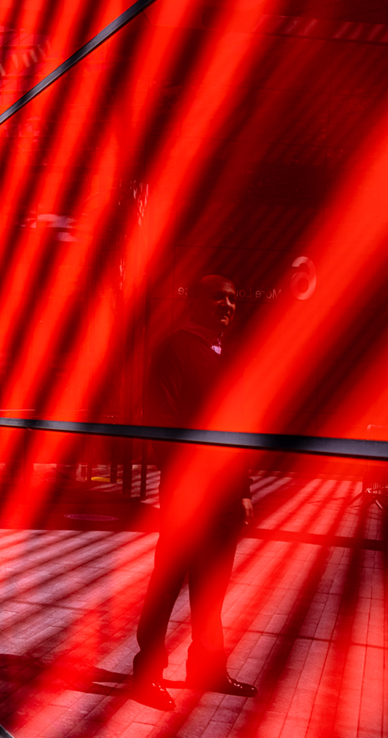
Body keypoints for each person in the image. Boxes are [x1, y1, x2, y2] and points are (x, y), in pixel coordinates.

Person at [130, 274, 258, 711]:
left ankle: (206, 667)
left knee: (213, 585)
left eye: (233, 299)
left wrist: (243, 489)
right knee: (168, 582)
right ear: (195, 302)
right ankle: (146, 673)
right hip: (189, 491)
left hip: (225, 494)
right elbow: (160, 423)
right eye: (219, 298)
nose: (228, 305)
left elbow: (239, 430)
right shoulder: (174, 349)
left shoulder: (228, 356)